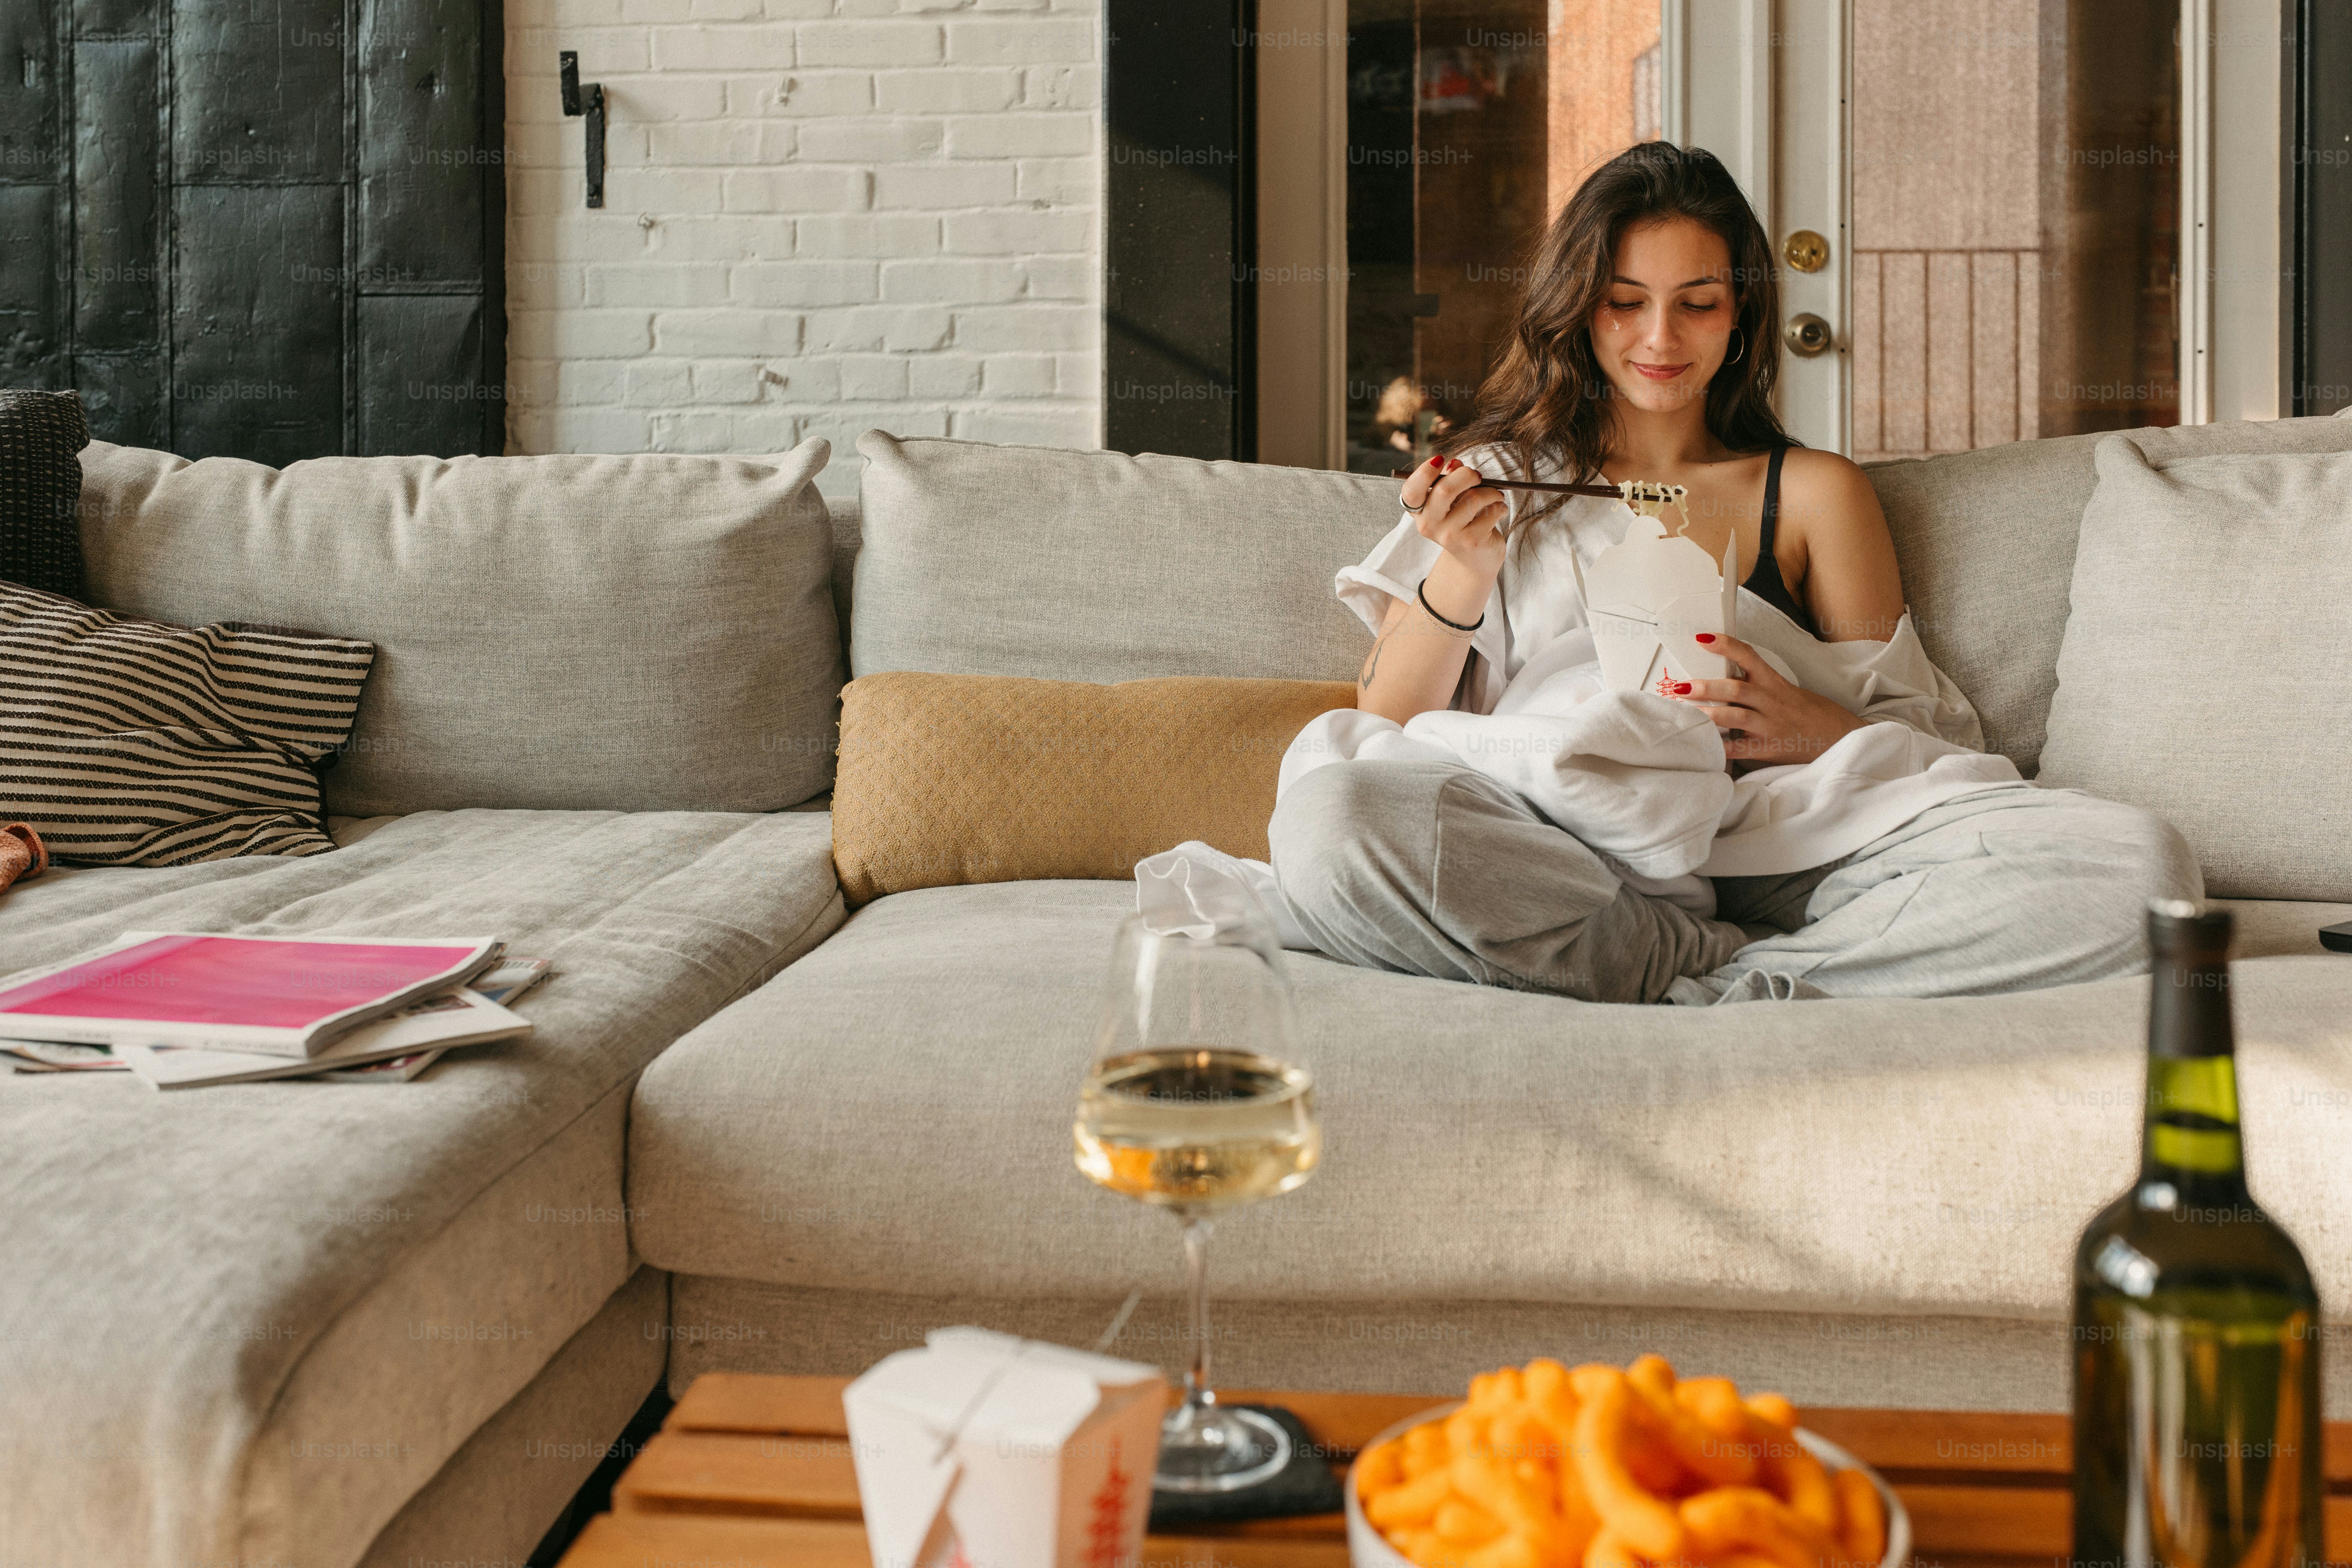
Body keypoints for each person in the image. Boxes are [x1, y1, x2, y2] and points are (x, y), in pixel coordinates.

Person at [1267, 142, 2197, 1005]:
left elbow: (1921, 738)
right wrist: (1463, 572)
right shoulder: (1506, 479)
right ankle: (1668, 948)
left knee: (2137, 865)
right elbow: (1381, 726)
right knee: (1333, 825)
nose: (1660, 336)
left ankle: (1736, 979)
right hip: (1556, 838)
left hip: (1779, 839)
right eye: (1625, 300)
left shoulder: (1811, 493)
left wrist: (1816, 726)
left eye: (1698, 301)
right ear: (1578, 306)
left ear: (1743, 308)